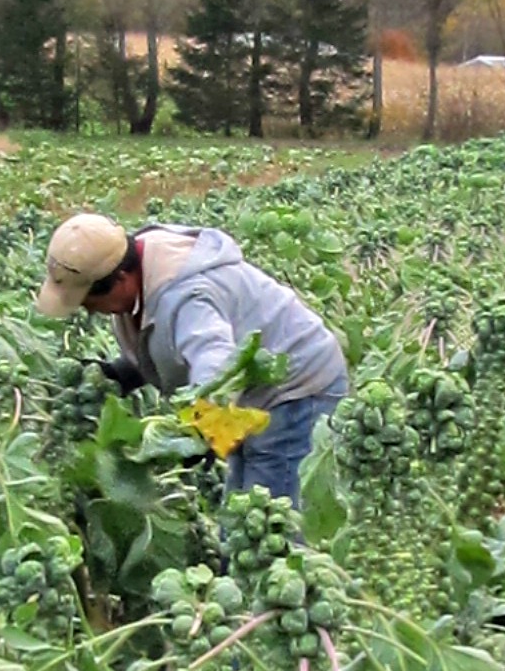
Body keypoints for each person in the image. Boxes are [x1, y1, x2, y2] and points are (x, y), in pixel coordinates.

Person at [33, 213, 347, 505]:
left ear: (120, 279)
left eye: (91, 301)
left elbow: (216, 361)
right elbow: (170, 337)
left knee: (271, 514)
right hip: (255, 392)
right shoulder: (139, 260)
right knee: (242, 507)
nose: (90, 311)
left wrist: (201, 428)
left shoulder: (187, 295)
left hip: (296, 387)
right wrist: (125, 372)